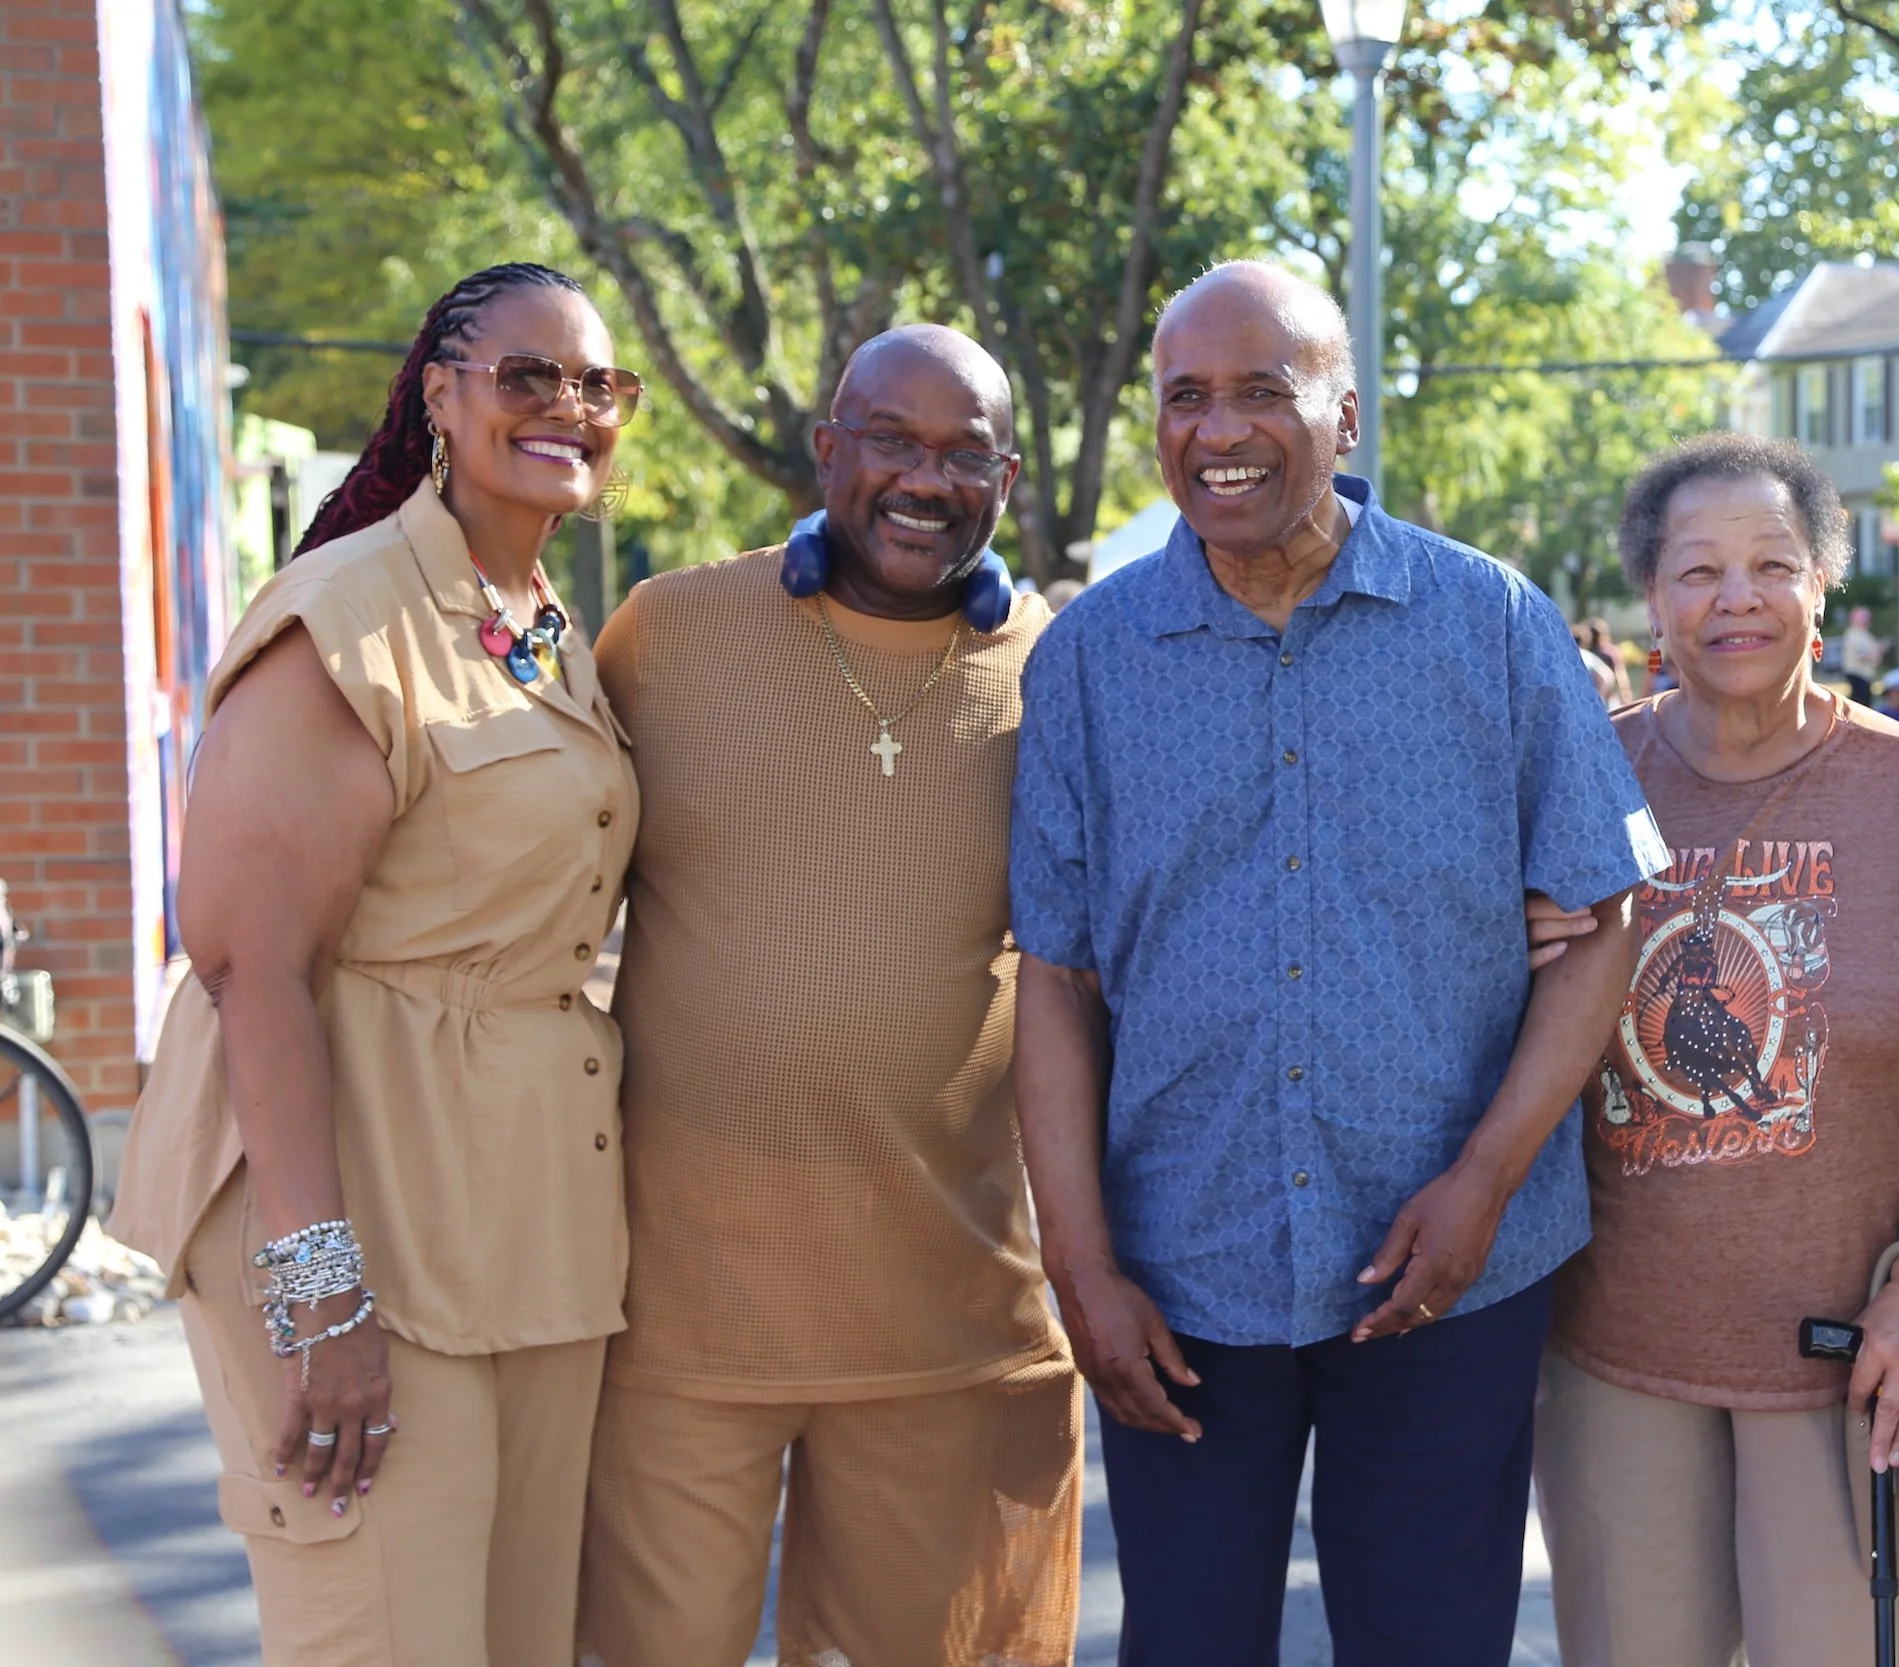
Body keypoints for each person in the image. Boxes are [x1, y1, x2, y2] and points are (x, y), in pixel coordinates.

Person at [1008, 261, 1663, 1666]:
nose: (1219, 426)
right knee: (1184, 1643)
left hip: (1448, 1262)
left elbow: (1603, 916)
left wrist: (1487, 1176)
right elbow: (1053, 978)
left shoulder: (1490, 621)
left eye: (1263, 388)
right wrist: (1079, 1260)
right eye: (1187, 395)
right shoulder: (1087, 662)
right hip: (1183, 1267)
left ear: (1345, 416)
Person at [108, 263, 642, 1666]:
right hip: (358, 1213)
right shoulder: (345, 614)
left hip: (524, 1222)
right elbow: (251, 966)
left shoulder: (540, 628)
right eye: (529, 375)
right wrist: (321, 1291)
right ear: (441, 394)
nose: (570, 408)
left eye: (598, 385)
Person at [574, 327, 1081, 1666]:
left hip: (942, 1315)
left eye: (963, 450)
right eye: (892, 441)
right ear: (828, 452)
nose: (927, 477)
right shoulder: (669, 633)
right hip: (678, 1320)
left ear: (1008, 475)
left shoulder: (1065, 674)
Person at [1531, 433, 1899, 1667]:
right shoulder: (1588, 776)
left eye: (1771, 564)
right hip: (1617, 1353)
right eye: (1697, 570)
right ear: (1651, 596)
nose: (1735, 596)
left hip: (1859, 1357)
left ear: (1821, 589)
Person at [1840, 604, 1887, 704]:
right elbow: (1861, 656)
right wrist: (1877, 651)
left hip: (1865, 676)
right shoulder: (1854, 635)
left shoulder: (1864, 635)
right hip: (1858, 676)